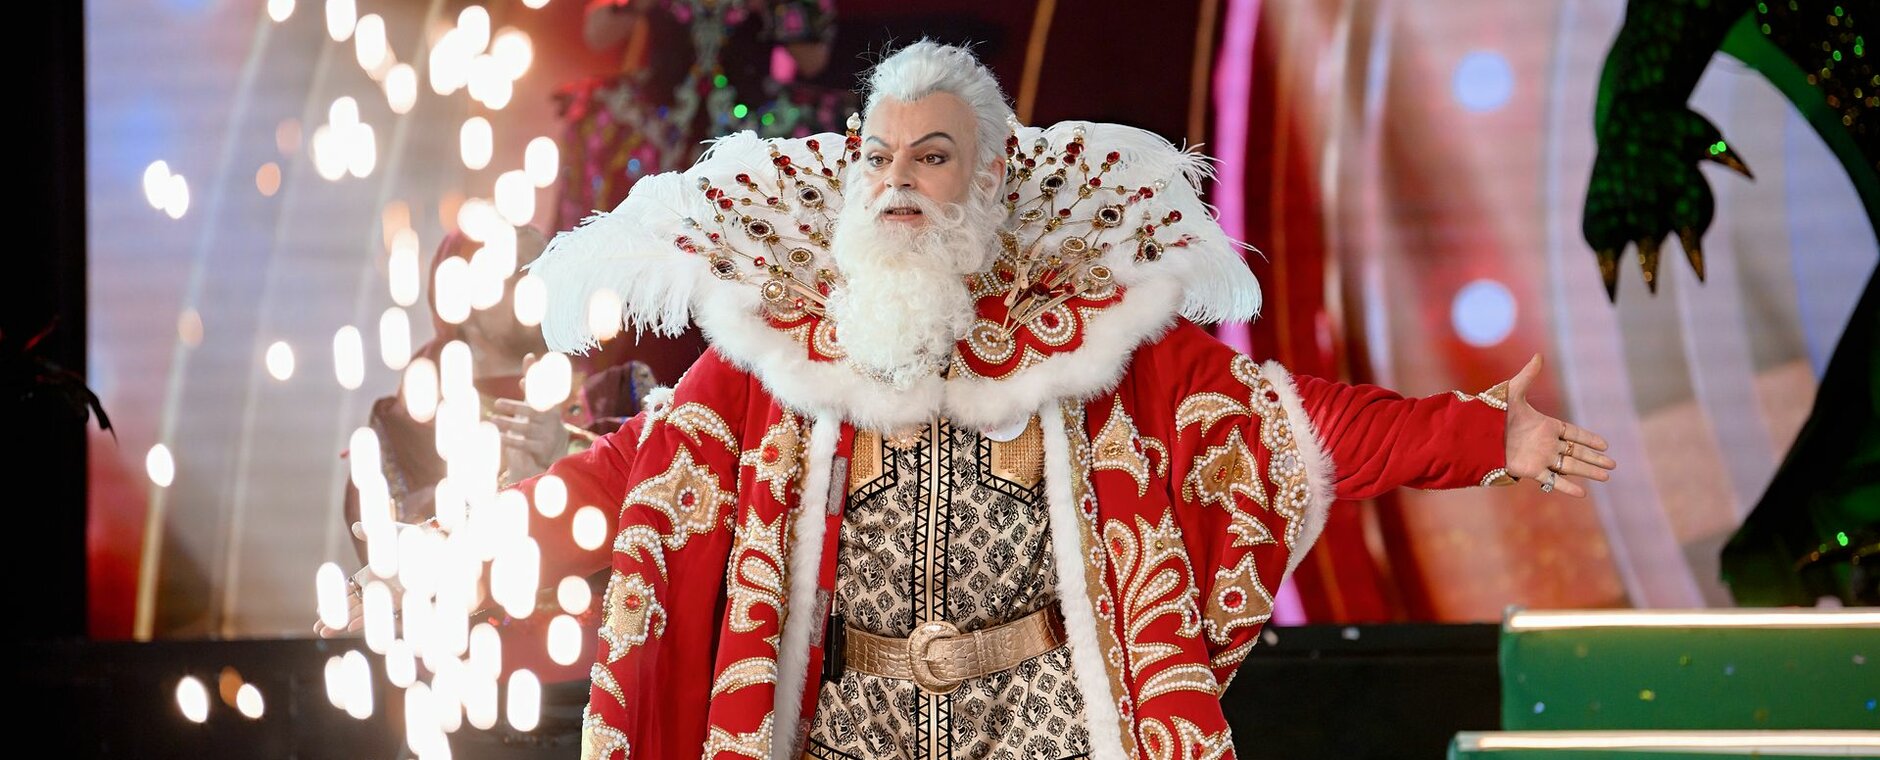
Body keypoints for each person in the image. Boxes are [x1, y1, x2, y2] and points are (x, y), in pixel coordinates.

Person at [366, 41, 1619, 758]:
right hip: (846, 726)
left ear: (990, 177)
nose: (897, 183)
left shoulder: (1097, 338)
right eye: (878, 158)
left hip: (1042, 724)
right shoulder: (776, 352)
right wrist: (469, 550)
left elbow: (1292, 425)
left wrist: (1482, 432)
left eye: (931, 156)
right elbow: (630, 475)